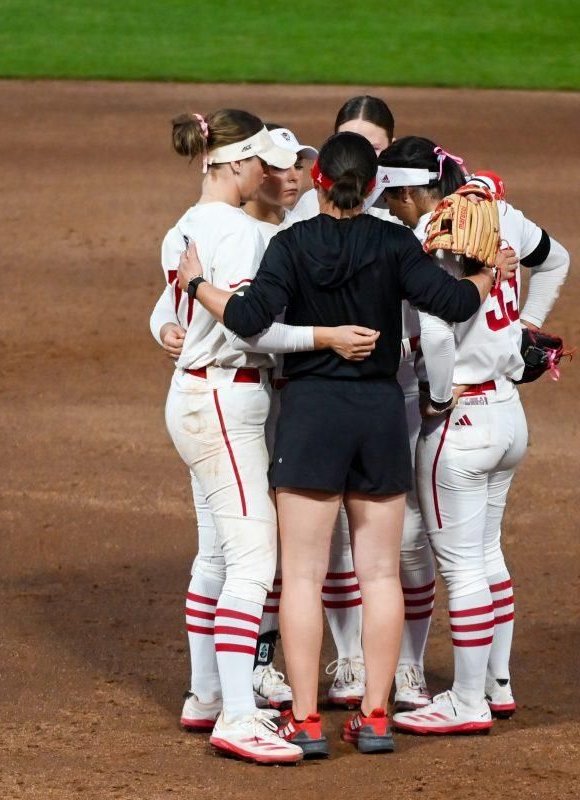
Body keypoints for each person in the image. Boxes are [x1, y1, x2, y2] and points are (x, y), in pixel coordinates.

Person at [178, 131, 509, 757]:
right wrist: (493, 270)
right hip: (380, 415)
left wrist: (198, 289)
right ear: (374, 185)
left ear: (321, 183)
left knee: (300, 576)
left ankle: (305, 721)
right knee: (381, 573)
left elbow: (251, 321)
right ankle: (377, 716)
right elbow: (458, 302)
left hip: (310, 416)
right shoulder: (394, 242)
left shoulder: (289, 243)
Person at [156, 109, 375, 764]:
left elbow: (174, 311)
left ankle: (205, 695)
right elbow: (250, 326)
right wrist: (325, 337)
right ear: (242, 161)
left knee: (219, 555)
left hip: (196, 393)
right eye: (268, 163)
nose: (279, 175)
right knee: (255, 559)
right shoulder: (240, 235)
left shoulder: (188, 225)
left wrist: (172, 330)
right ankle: (240, 717)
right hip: (227, 399)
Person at [376, 135, 570, 733]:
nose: (391, 210)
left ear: (412, 191)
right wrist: (526, 326)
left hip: (459, 419)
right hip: (509, 414)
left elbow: (435, 337)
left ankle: (465, 702)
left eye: (394, 200)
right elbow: (557, 257)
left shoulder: (433, 234)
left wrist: (434, 399)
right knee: (486, 554)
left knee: (459, 566)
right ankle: (496, 682)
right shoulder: (497, 213)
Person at [289, 95, 439, 711]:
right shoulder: (307, 216)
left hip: (391, 387)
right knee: (343, 549)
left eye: (375, 144)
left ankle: (409, 665)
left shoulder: (414, 211)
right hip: (357, 391)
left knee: (405, 543)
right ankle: (350, 662)